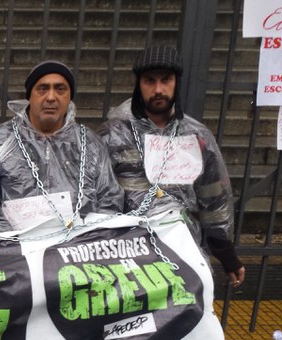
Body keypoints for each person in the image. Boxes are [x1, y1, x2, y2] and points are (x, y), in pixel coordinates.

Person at [98, 45, 245, 286]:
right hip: (125, 256)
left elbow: (214, 199)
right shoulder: (112, 135)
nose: (158, 89)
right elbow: (98, 197)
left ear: (177, 82)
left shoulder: (196, 137)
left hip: (182, 253)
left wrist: (227, 255)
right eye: (149, 81)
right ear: (139, 84)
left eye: (166, 80)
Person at [0, 60, 123, 235]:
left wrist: (90, 239)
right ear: (29, 96)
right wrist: (11, 243)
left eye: (60, 89)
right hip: (16, 251)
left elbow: (109, 199)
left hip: (77, 248)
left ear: (69, 98)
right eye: (42, 88)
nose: (50, 97)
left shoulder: (91, 143)